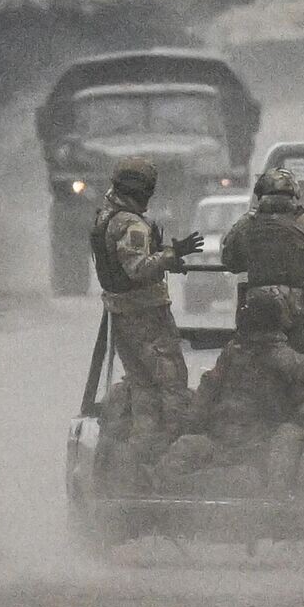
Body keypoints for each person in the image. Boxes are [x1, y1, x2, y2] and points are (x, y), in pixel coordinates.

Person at [162, 285, 304, 494]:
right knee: (186, 448)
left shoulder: (281, 359)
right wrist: (193, 424)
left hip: (260, 444)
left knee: (279, 451)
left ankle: (274, 500)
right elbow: (209, 387)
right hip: (225, 441)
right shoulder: (235, 353)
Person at [89, 157, 204, 452]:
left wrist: (167, 259)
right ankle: (174, 453)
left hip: (123, 314)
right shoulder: (130, 223)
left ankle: (141, 455)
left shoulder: (107, 217)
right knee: (172, 383)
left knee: (143, 388)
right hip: (146, 316)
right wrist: (172, 254)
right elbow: (137, 268)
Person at [221, 168, 304, 361]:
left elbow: (230, 261)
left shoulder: (246, 226)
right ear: (294, 195)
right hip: (301, 323)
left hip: (256, 319)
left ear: (260, 195)